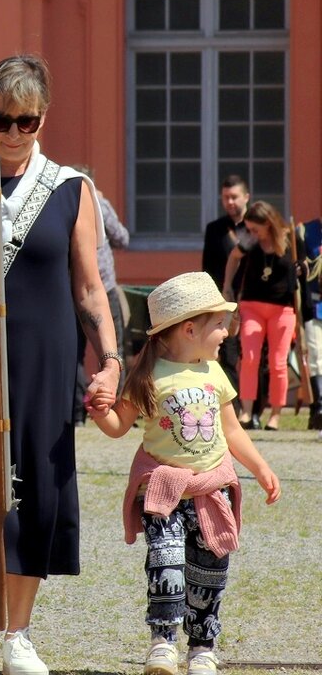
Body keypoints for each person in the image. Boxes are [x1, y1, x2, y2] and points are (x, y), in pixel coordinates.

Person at [0, 55, 121, 675]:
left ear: (43, 119)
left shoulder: (71, 188)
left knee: (40, 490)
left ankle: (17, 632)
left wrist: (112, 361)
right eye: (0, 118)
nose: (12, 132)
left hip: (47, 358)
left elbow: (90, 288)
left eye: (27, 121)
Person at [87, 271, 281, 675]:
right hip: (165, 492)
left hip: (211, 490)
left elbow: (232, 431)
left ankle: (202, 647)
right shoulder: (147, 375)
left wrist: (260, 467)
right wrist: (101, 411)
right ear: (190, 329)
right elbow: (118, 427)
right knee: (166, 566)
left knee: (209, 572)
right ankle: (163, 642)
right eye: (219, 325)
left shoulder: (214, 374)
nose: (226, 332)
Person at [222, 201, 297, 430]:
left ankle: (275, 415)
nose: (251, 233)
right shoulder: (250, 239)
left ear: (269, 223)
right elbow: (234, 257)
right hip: (252, 305)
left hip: (282, 308)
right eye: (249, 229)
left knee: (277, 362)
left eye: (255, 229)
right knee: (250, 358)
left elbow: (302, 264)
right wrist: (227, 286)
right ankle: (246, 411)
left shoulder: (289, 238)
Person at [70, 165, 129, 424]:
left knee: (74, 353)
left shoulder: (64, 202)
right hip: (101, 288)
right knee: (113, 351)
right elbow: (122, 238)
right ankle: (114, 410)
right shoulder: (99, 205)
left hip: (73, 288)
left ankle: (76, 412)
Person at [202, 175, 250, 418]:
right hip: (224, 301)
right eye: (225, 197)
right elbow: (207, 268)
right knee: (228, 353)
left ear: (246, 197)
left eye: (234, 197)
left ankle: (254, 410)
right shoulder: (215, 230)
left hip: (253, 297)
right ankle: (234, 409)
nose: (230, 202)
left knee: (254, 357)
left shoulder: (256, 227)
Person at [295, 215, 322, 429]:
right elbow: (302, 266)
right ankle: (319, 407)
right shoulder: (305, 230)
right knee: (315, 354)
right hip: (314, 305)